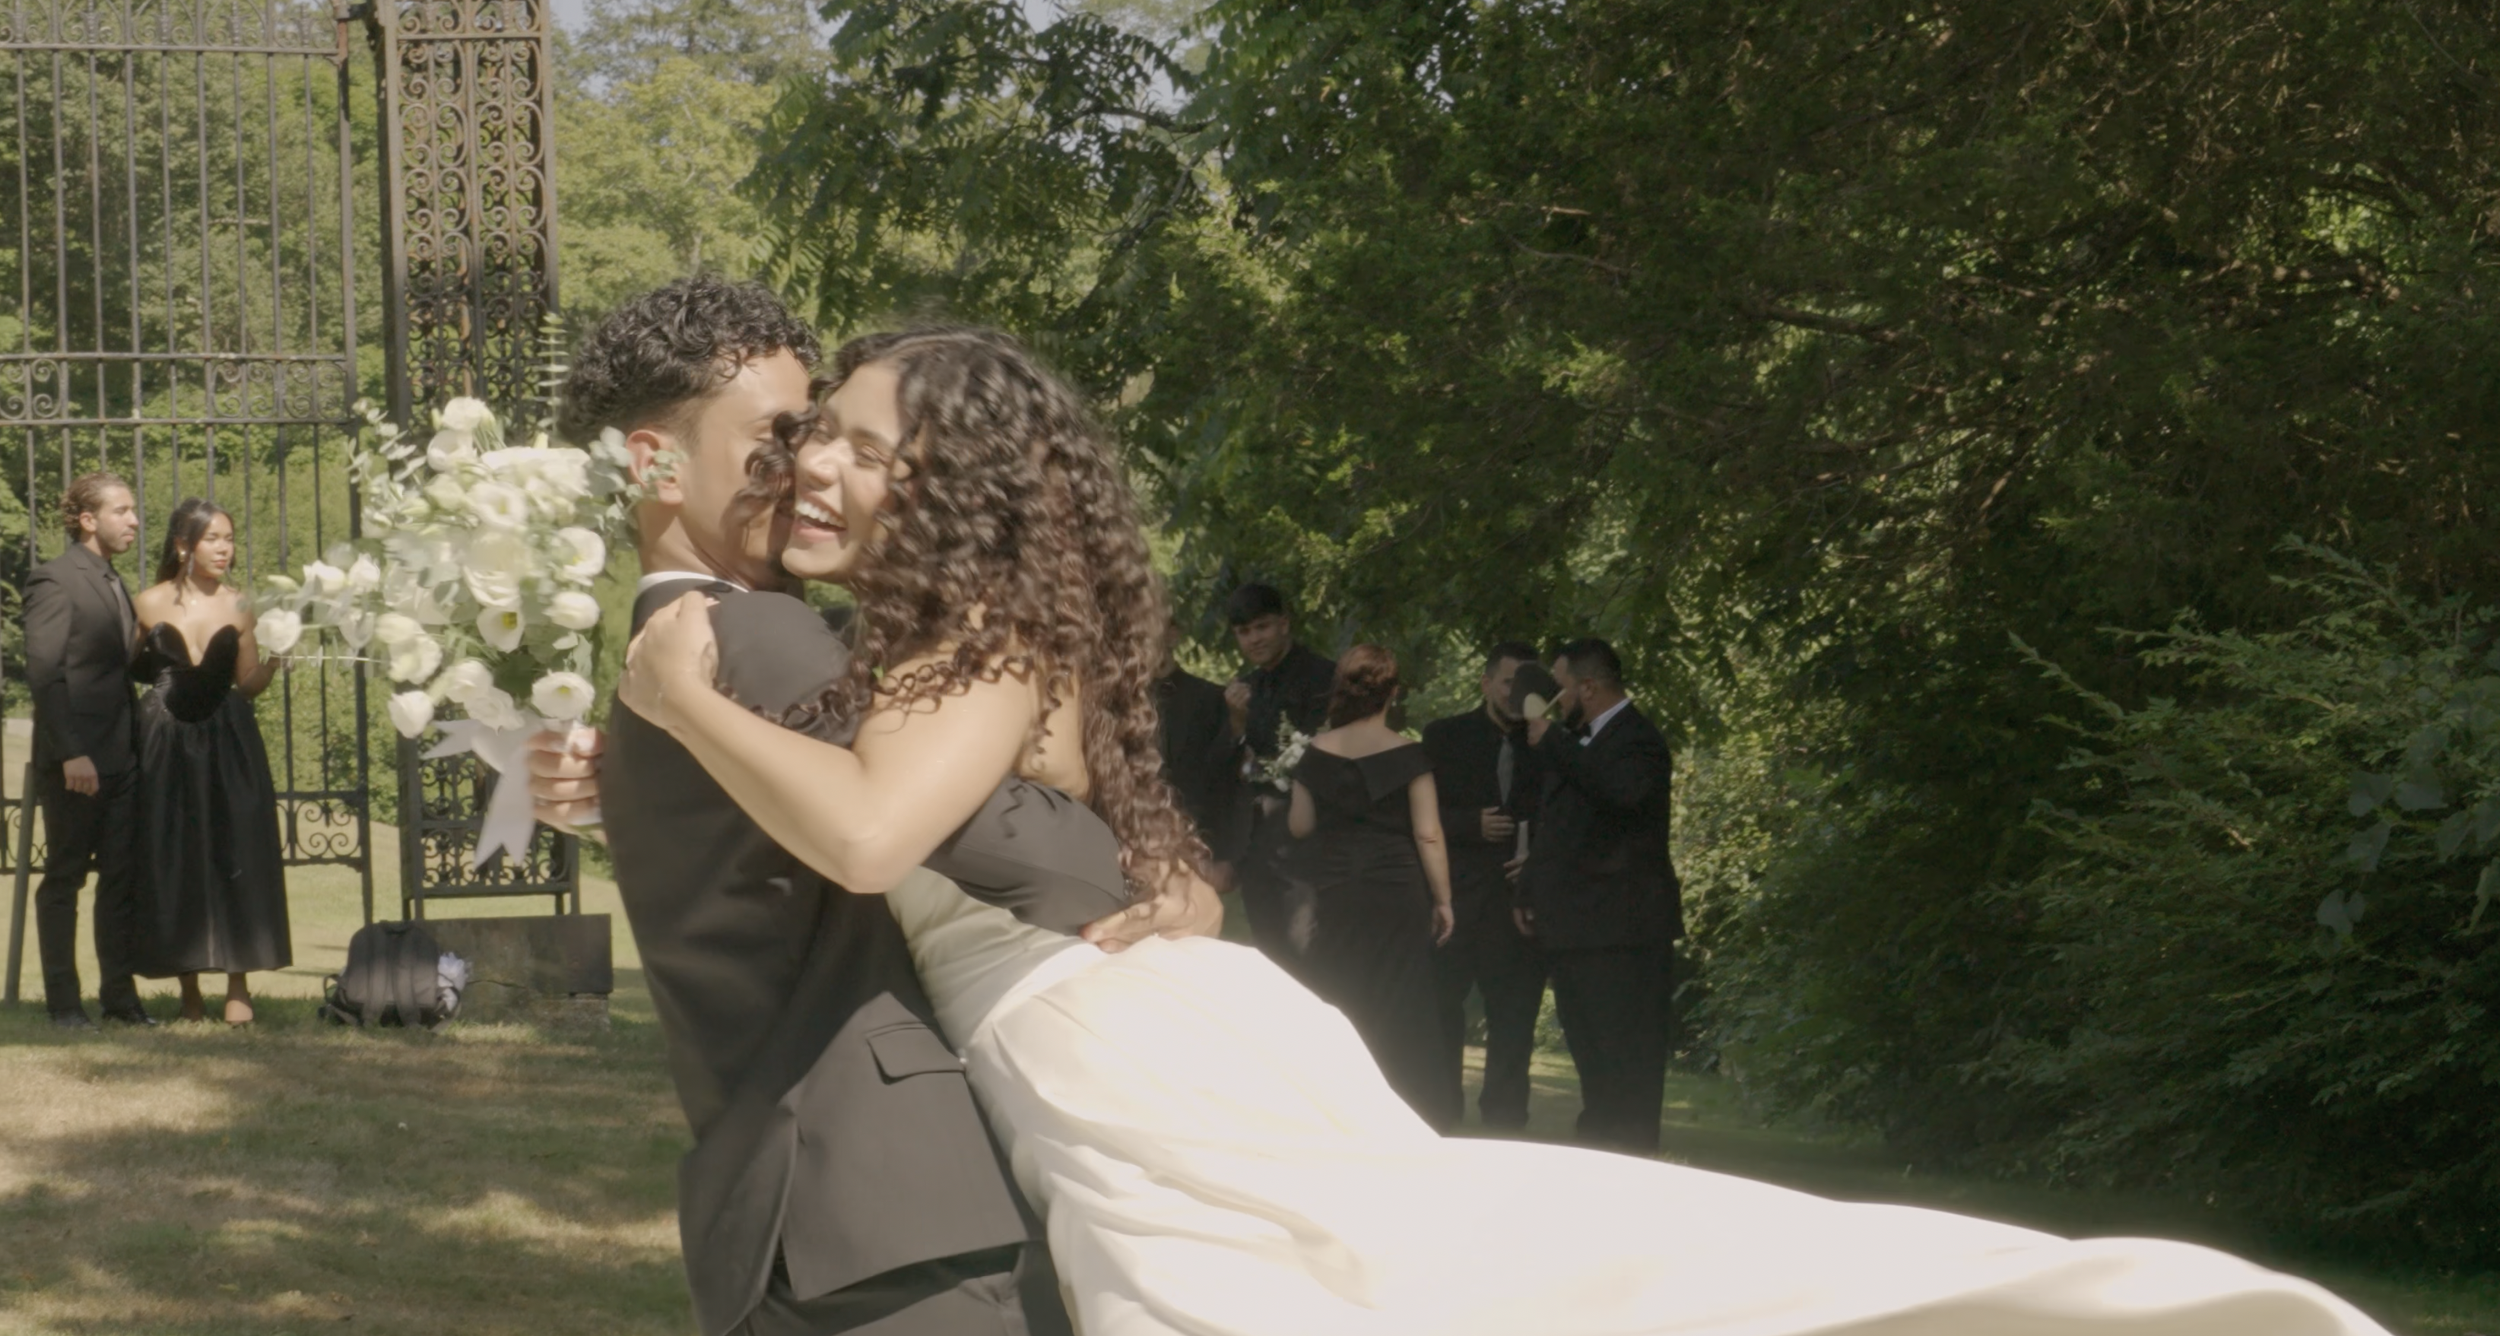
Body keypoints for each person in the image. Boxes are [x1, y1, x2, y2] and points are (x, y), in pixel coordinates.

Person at [617, 325, 2388, 1336]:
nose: (812, 473)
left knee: (1358, 1292)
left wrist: (677, 682)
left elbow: (865, 840)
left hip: (1098, 1049)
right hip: (1146, 1016)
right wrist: (1176, 888)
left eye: (848, 444)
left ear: (948, 481)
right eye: (807, 442)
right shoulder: (965, 638)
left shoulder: (959, 634)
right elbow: (1149, 838)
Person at [527, 277, 1211, 1336]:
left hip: (783, 1207)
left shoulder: (656, 652)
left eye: (820, 435)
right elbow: (1025, 856)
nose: (802, 465)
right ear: (649, 460)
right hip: (892, 1207)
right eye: (774, 439)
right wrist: (1158, 876)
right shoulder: (761, 641)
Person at [129, 498, 288, 1025]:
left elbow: (248, 685)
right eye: (214, 539)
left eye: (230, 538)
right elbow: (125, 668)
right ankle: (188, 990)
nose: (226, 548)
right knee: (172, 850)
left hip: (229, 739)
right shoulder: (145, 602)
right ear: (183, 545)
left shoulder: (242, 605)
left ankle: (238, 986)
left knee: (235, 846)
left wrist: (277, 659)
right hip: (163, 739)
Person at [1516, 637, 1678, 1154]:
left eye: (1560, 688)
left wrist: (1554, 743)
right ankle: (1598, 1151)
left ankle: (1630, 1155)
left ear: (1588, 687)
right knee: (1590, 1053)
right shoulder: (1574, 742)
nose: (1555, 701)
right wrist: (1529, 888)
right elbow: (1557, 828)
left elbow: (1621, 794)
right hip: (1575, 927)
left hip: (1623, 931)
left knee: (1625, 1055)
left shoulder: (1639, 740)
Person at [1285, 644, 1458, 1126]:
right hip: (1396, 887)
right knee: (1402, 1000)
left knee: (1341, 996)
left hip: (1338, 888)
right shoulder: (1409, 754)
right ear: (1392, 694)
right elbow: (1428, 833)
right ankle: (1410, 1110)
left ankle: (1337, 1109)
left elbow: (1300, 825)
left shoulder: (1317, 752)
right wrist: (1443, 900)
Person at [23, 473, 150, 1030]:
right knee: (65, 879)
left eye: (133, 510)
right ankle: (64, 1006)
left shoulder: (113, 580)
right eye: (122, 511)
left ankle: (120, 1002)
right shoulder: (54, 580)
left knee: (120, 881)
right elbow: (46, 676)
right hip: (76, 761)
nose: (134, 521)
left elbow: (118, 668)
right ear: (88, 520)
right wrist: (73, 753)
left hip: (123, 756)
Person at [1420, 640, 1548, 1132]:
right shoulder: (1445, 737)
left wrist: (1535, 857)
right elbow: (1421, 814)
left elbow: (1562, 815)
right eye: (1509, 681)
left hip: (1518, 907)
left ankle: (1505, 1121)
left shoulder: (1547, 745)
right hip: (1455, 901)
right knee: (1442, 1014)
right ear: (1487, 683)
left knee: (1514, 1021)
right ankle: (1439, 1113)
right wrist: (1469, 825)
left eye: (1526, 684)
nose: (1516, 693)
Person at [1215, 582, 1335, 959]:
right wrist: (1235, 723)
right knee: (1271, 955)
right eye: (1244, 632)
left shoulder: (1326, 678)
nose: (1254, 639)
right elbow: (1228, 771)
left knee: (1310, 953)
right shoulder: (1243, 689)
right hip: (1257, 846)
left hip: (1312, 843)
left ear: (1284, 624)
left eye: (1262, 627)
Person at [1151, 618, 1232, 853]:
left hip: (1199, 837)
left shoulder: (1211, 698)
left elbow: (1224, 783)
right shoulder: (1121, 703)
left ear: (1172, 635)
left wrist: (1224, 852)